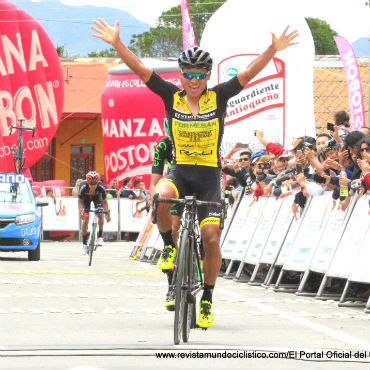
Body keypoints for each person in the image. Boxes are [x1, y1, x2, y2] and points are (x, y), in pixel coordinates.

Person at [92, 18, 298, 328]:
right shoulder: (170, 96)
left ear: (207, 76)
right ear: (182, 76)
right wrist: (118, 43)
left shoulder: (219, 97)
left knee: (211, 238)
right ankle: (171, 248)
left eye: (200, 76)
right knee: (159, 198)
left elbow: (249, 73)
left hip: (208, 179)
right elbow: (140, 69)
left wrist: (272, 48)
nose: (194, 80)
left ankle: (207, 299)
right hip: (180, 173)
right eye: (188, 75)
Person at [78, 171, 111, 255]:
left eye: (95, 184)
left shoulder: (101, 187)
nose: (93, 186)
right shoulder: (83, 186)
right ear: (88, 183)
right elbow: (80, 201)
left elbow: (105, 202)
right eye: (91, 184)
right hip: (86, 199)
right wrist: (81, 211)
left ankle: (100, 237)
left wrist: (107, 214)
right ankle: (84, 244)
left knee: (100, 215)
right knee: (85, 220)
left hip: (97, 198)